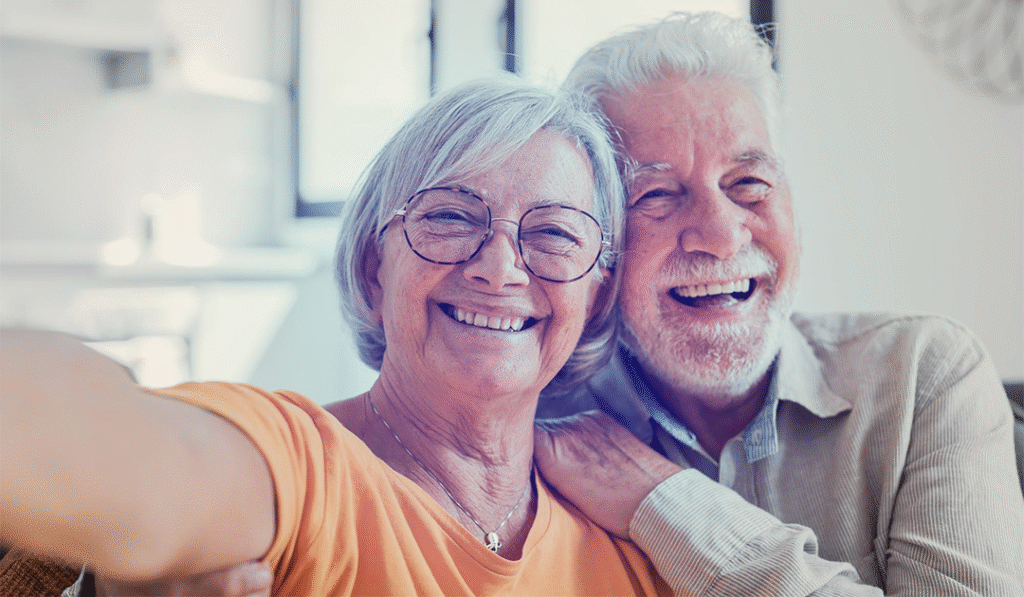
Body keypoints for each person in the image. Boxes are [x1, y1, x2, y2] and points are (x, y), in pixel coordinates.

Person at [0, 77, 697, 596]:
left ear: (596, 291)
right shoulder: (308, 472)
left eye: (552, 234)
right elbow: (136, 456)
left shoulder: (631, 540)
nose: (498, 268)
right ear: (373, 267)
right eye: (451, 217)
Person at [533, 10, 1024, 596]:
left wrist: (661, 500)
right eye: (657, 194)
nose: (719, 235)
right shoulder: (540, 418)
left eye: (748, 184)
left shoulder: (926, 373)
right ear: (598, 232)